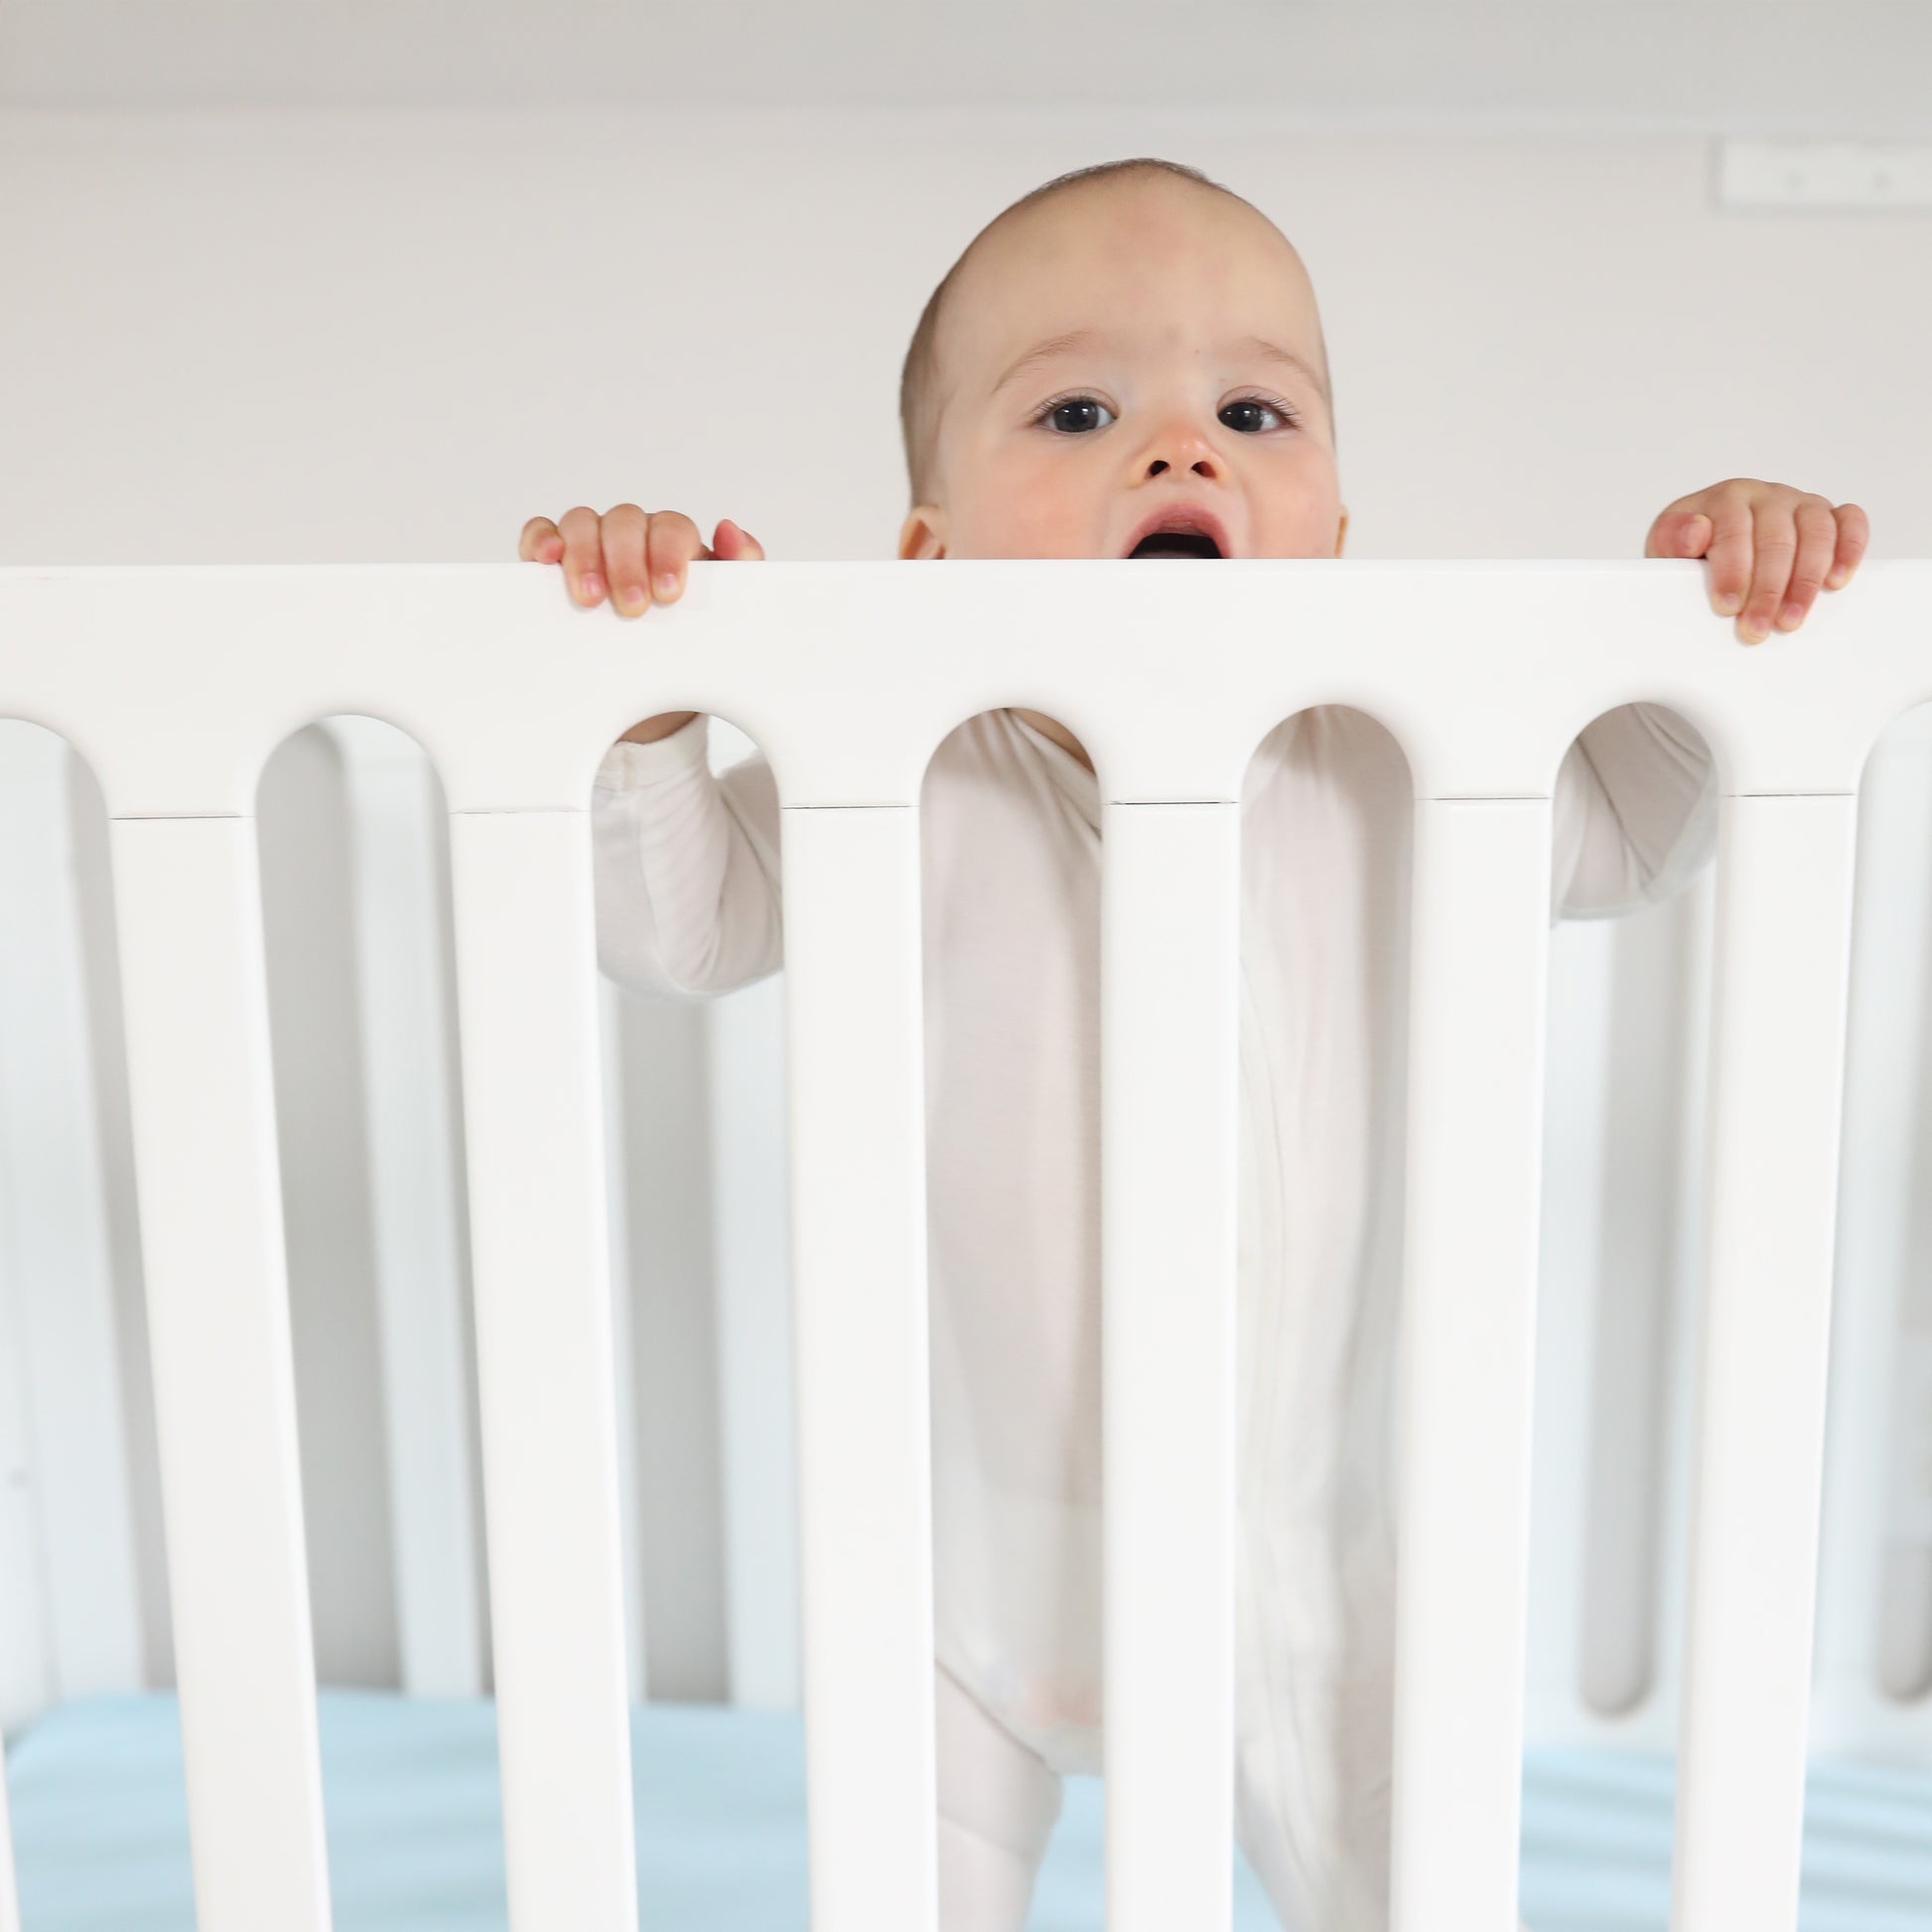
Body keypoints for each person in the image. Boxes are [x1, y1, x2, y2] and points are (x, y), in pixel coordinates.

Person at [518, 158, 1869, 1932]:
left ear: (1332, 537)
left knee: (1419, 1891)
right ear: (922, 556)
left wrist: (1703, 628)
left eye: (1251, 408)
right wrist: (647, 715)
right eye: (1078, 408)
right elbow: (675, 922)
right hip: (960, 1583)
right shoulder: (894, 777)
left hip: (1307, 1591)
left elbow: (1629, 814)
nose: (1178, 450)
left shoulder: (1395, 763)